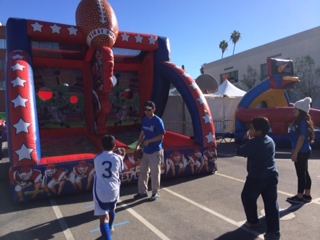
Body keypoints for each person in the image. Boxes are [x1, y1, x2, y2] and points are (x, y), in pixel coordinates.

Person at [236, 117, 280, 240]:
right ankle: (274, 231)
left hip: (257, 178)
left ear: (259, 131)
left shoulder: (255, 142)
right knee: (271, 203)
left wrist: (245, 139)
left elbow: (240, 151)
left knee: (247, 197)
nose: (250, 130)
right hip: (271, 175)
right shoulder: (269, 140)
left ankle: (253, 221)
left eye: (252, 128)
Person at [93, 135, 125, 240]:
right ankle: (110, 228)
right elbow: (120, 170)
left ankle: (107, 234)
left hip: (101, 191)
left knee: (103, 218)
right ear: (115, 146)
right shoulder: (118, 159)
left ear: (101, 146)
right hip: (114, 190)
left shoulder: (97, 158)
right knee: (112, 210)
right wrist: (121, 157)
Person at [133, 101, 165, 201]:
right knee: (143, 171)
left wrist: (149, 141)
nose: (146, 112)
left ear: (153, 110)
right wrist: (138, 145)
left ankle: (155, 192)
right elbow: (142, 132)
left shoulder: (158, 121)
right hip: (146, 151)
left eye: (149, 110)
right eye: (145, 110)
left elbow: (161, 136)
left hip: (155, 150)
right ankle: (142, 191)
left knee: (155, 172)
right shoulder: (145, 120)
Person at [286, 97, 314, 204]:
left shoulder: (303, 122)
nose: (293, 111)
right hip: (303, 151)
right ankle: (307, 195)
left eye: (295, 109)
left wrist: (295, 153)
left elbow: (301, 138)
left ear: (301, 111)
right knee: (305, 173)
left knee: (301, 174)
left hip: (302, 152)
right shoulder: (299, 121)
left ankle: (299, 197)